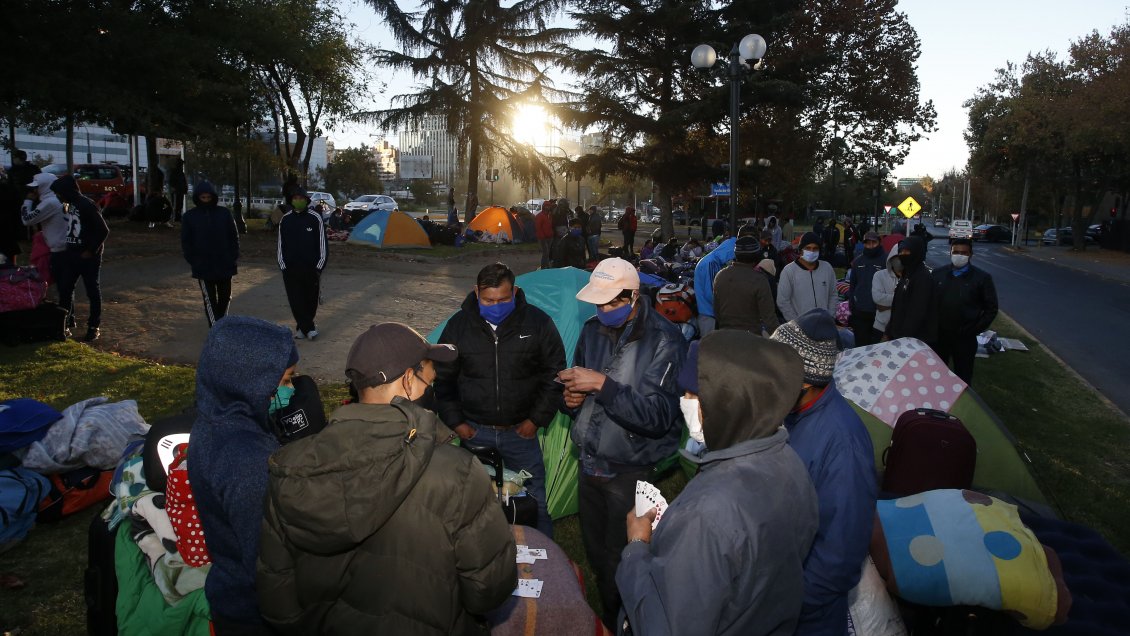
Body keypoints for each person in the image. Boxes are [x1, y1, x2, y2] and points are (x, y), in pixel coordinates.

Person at [258, 323, 517, 635]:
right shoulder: (456, 473)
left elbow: (277, 596)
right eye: (430, 380)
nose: (432, 390)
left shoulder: (290, 466)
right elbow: (488, 589)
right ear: (408, 381)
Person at [617, 332, 819, 636]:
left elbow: (665, 626)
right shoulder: (789, 461)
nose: (683, 402)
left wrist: (636, 548)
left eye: (691, 394)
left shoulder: (706, 514)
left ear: (727, 404)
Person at [561, 258, 685, 630]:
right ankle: (610, 616)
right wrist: (569, 401)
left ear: (633, 296)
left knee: (625, 558)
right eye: (598, 303)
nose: (602, 311)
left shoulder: (664, 339)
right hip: (590, 461)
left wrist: (603, 385)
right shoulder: (591, 330)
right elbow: (578, 389)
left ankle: (630, 621)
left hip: (631, 467)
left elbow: (659, 417)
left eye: (611, 303)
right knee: (598, 556)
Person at [434, 263, 566, 536]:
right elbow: (443, 379)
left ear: (515, 292)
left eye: (503, 299)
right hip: (474, 431)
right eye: (488, 300)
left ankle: (544, 557)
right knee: (470, 502)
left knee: (535, 500)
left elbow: (554, 375)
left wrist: (536, 420)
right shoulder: (458, 326)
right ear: (476, 292)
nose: (496, 305)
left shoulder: (538, 323)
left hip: (521, 433)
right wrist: (457, 423)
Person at [770, 309, 878, 634]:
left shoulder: (844, 445)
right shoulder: (792, 412)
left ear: (805, 381)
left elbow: (839, 558)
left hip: (806, 613)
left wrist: (787, 604)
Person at [190, 316, 297, 635]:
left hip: (229, 591)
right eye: (287, 380)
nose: (291, 389)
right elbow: (268, 565)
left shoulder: (214, 422)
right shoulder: (247, 461)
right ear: (251, 382)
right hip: (256, 615)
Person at [49, 175, 109, 342]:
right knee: (65, 290)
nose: (57, 197)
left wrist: (90, 250)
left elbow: (103, 230)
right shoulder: (70, 205)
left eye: (59, 193)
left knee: (92, 291)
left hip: (88, 257)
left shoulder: (86, 205)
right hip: (72, 254)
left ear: (66, 192)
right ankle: (64, 325)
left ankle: (93, 326)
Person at [932, 239, 998, 384]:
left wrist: (974, 329)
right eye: (956, 252)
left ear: (970, 255)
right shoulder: (938, 274)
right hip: (940, 336)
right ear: (950, 252)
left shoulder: (982, 278)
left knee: (963, 376)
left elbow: (991, 309)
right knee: (937, 374)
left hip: (965, 338)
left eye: (964, 253)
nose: (959, 255)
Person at [181, 181, 240, 327]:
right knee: (209, 299)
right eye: (203, 198)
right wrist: (194, 261)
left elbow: (234, 236)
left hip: (225, 263)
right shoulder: (189, 217)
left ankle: (222, 323)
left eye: (208, 197)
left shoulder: (224, 213)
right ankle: (215, 328)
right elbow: (186, 242)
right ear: (197, 198)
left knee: (226, 297)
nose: (206, 200)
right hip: (203, 266)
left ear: (213, 197)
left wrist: (233, 256)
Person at [277, 187, 327, 340]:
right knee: (295, 300)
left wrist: (319, 266)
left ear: (306, 201)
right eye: (296, 198)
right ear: (292, 201)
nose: (298, 201)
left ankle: (302, 328)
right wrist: (283, 266)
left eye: (301, 199)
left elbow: (322, 244)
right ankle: (309, 328)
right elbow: (280, 245)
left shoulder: (315, 218)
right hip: (290, 268)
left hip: (311, 268)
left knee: (310, 300)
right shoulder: (285, 219)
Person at [713, 236, 780, 335]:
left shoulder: (720, 275)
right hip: (750, 340)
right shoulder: (759, 280)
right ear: (757, 256)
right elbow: (769, 320)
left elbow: (717, 312)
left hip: (724, 337)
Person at [20, 173, 67, 305]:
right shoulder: (61, 199)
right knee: (66, 286)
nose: (34, 191)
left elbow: (27, 220)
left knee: (62, 287)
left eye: (37, 187)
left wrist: (28, 201)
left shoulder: (49, 203)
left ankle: (66, 316)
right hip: (65, 246)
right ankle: (69, 315)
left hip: (58, 249)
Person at [777, 231, 837, 322]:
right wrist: (796, 323)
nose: (811, 252)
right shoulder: (789, 271)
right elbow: (783, 301)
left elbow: (833, 294)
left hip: (824, 324)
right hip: (800, 327)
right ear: (801, 250)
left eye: (815, 249)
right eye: (808, 248)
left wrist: (830, 316)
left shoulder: (827, 268)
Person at [885, 235, 935, 343]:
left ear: (916, 251)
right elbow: (897, 305)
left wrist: (903, 337)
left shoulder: (923, 277)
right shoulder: (907, 273)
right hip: (898, 336)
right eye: (901, 252)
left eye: (907, 251)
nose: (903, 255)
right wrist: (889, 330)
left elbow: (917, 312)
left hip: (911, 340)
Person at [847, 231, 887, 347]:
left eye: (873, 242)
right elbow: (853, 284)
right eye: (867, 243)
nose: (870, 246)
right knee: (861, 346)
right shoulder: (858, 261)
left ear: (879, 243)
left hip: (879, 312)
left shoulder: (886, 260)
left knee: (878, 347)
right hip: (860, 312)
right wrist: (852, 304)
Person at [871, 244, 899, 338]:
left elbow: (913, 301)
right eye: (896, 257)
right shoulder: (879, 275)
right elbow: (877, 298)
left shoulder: (911, 277)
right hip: (880, 327)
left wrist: (886, 304)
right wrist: (901, 299)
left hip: (900, 328)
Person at [167, 158, 188, 222]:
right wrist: (175, 189)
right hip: (176, 192)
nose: (182, 165)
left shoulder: (181, 172)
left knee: (180, 204)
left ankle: (178, 217)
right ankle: (175, 217)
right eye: (181, 164)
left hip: (180, 191)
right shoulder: (174, 171)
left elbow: (184, 181)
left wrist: (185, 189)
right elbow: (171, 182)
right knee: (176, 205)